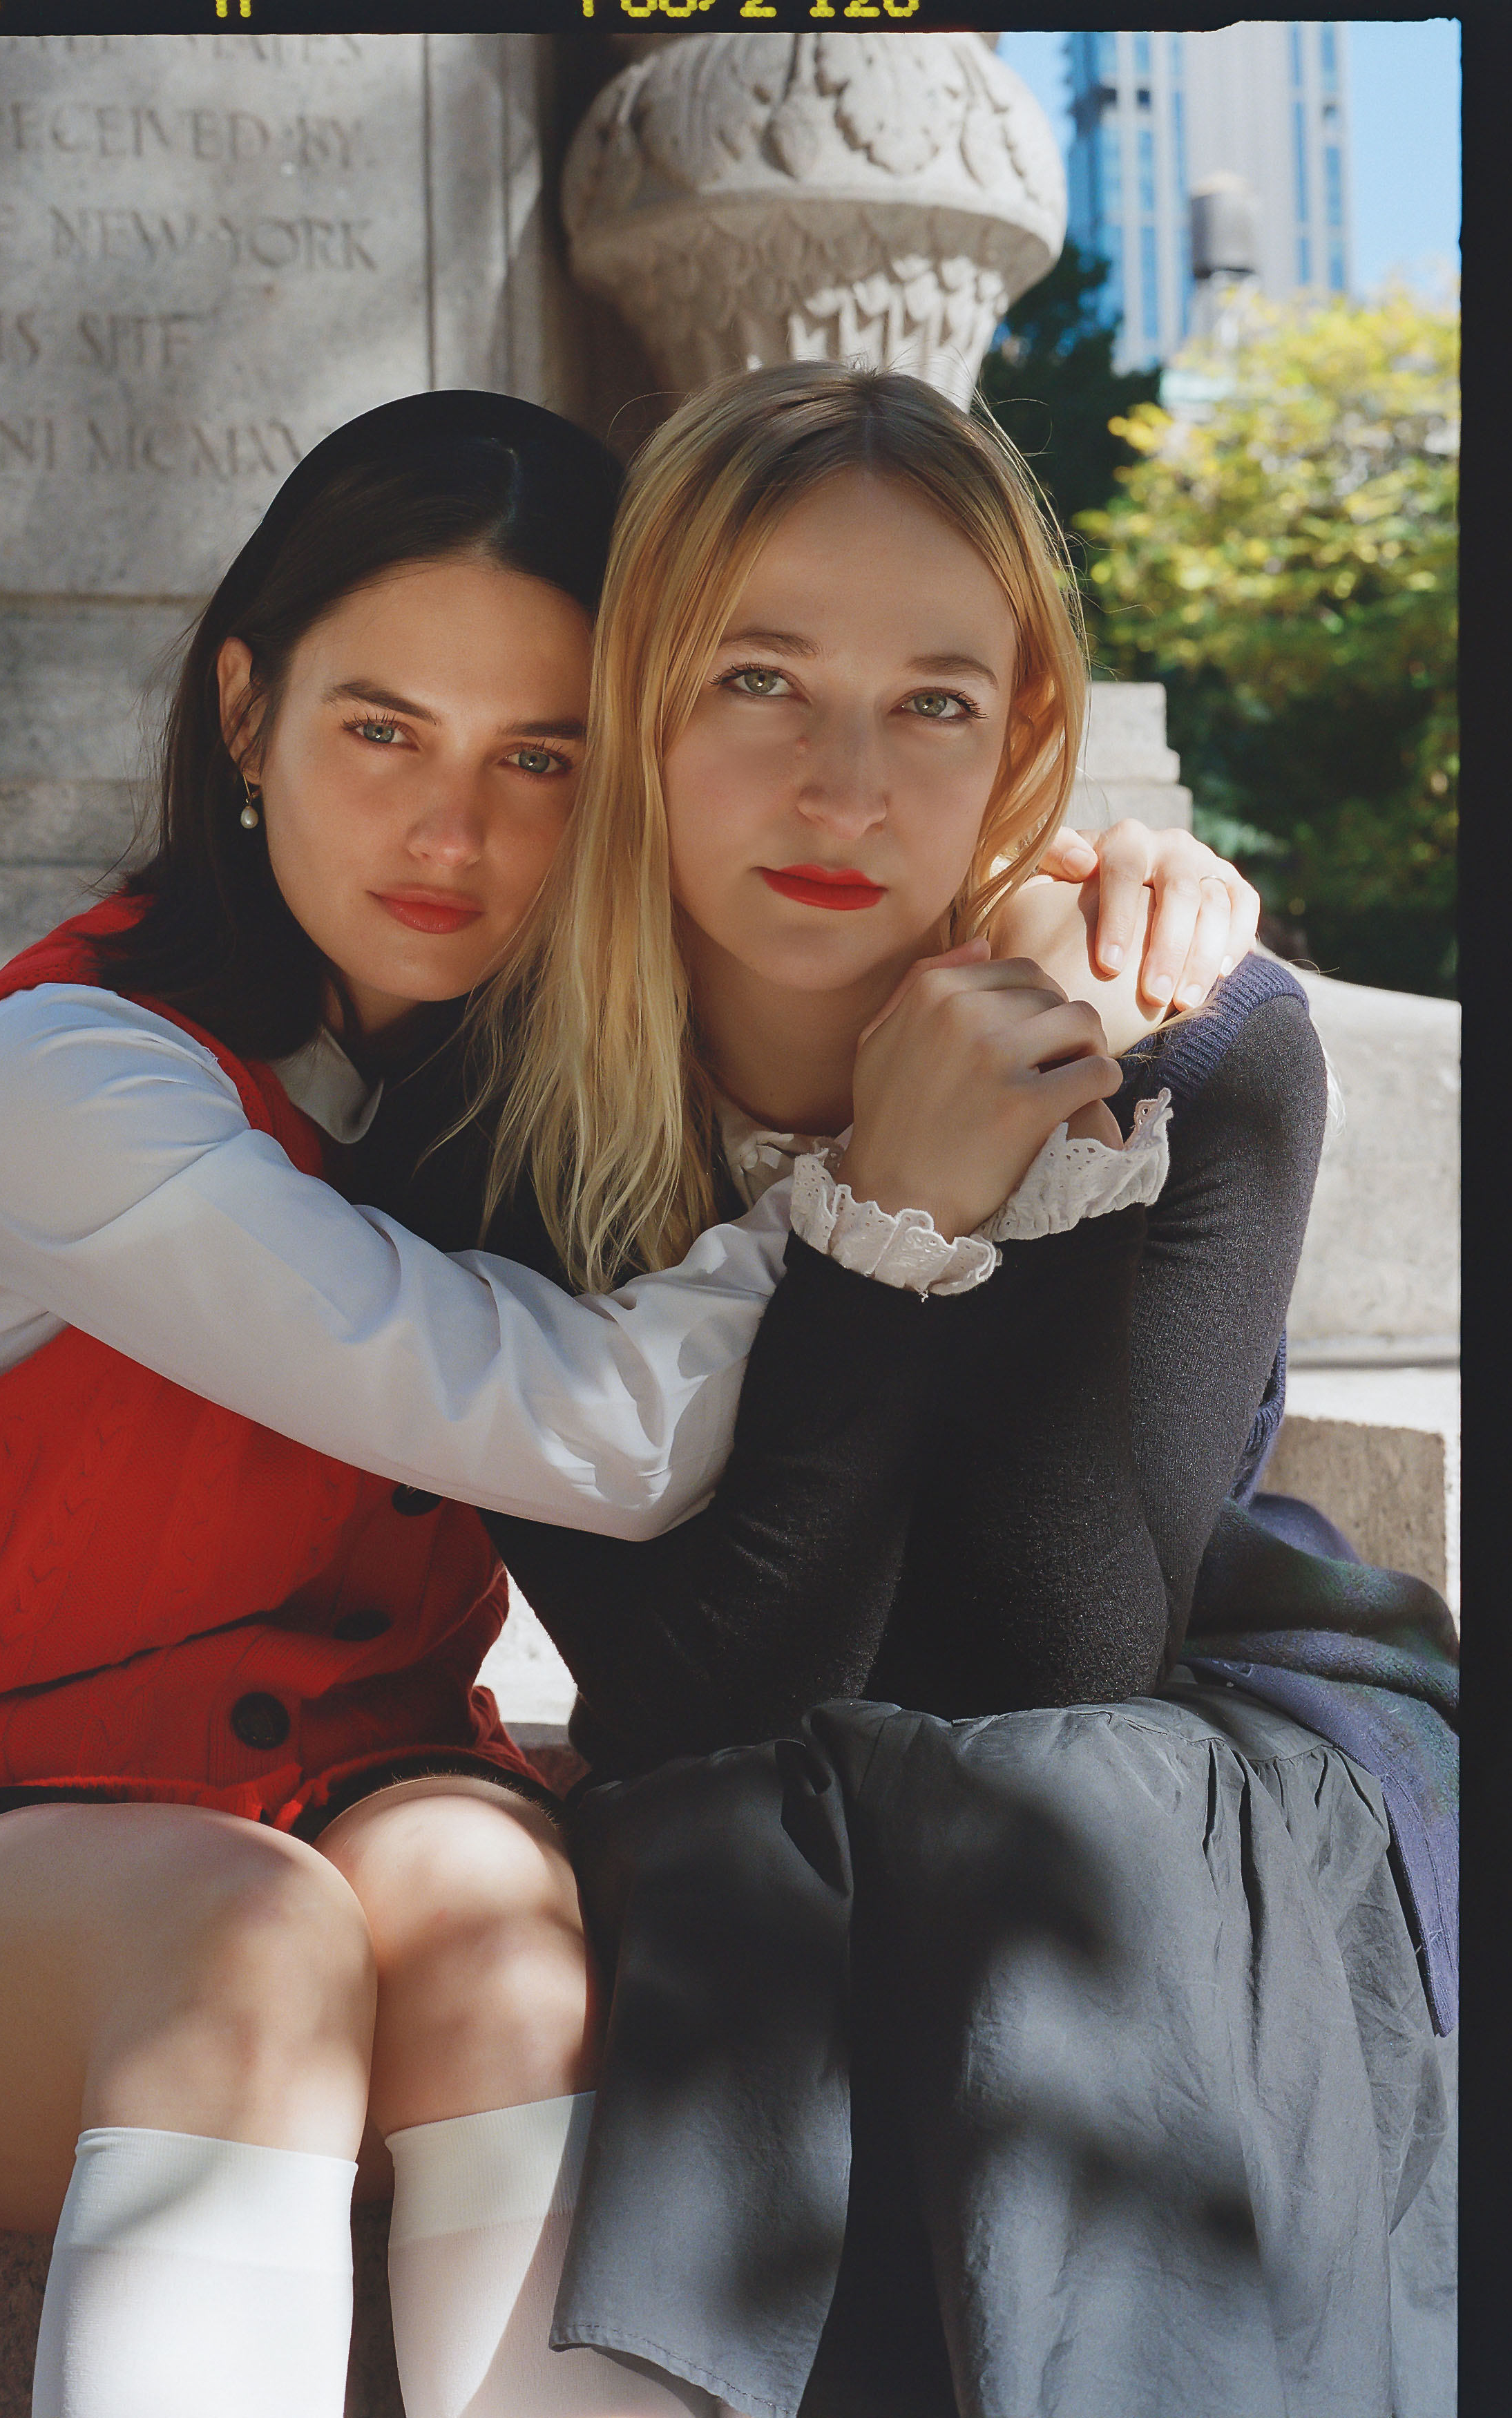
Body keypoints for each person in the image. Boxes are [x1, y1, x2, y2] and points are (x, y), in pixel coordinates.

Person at [0, 388, 1255, 2418]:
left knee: (500, 1907)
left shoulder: (522, 1086)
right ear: (243, 713)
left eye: (544, 755)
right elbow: (603, 1440)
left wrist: (1066, 906)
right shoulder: (70, 1083)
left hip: (371, 1806)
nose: (458, 833)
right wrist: (883, 1176)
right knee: (244, 1935)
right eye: (381, 731)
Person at [381, 363, 1453, 2418]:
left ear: (1024, 739)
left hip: (1201, 1721)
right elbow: (701, 1697)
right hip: (776, 1765)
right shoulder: (487, 1129)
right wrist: (883, 1212)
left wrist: (1023, 1147)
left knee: (1062, 1818)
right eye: (759, 680)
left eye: (934, 703)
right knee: (713, 1840)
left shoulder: (1201, 1054)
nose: (846, 788)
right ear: (636, 709)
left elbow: (1075, 1652)